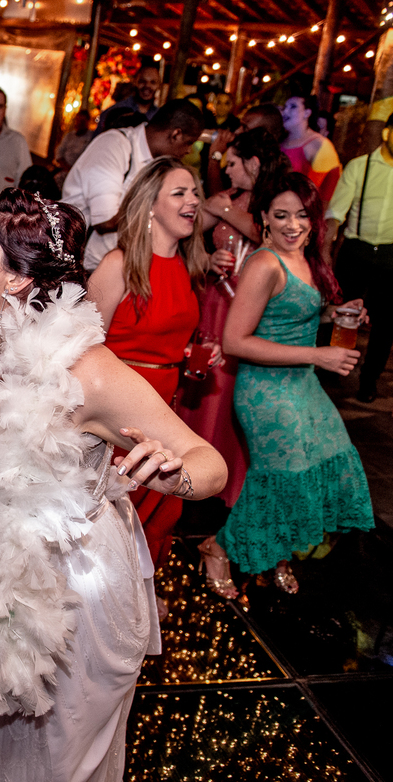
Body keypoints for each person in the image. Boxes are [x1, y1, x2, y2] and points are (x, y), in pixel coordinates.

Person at [0, 190, 226, 782]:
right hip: (3, 578)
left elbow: (209, 467)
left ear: (19, 278)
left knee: (57, 765)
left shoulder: (88, 371)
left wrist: (170, 475)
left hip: (76, 588)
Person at [214, 172, 373, 595]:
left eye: (301, 215)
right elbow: (235, 340)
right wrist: (318, 354)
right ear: (264, 216)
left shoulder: (308, 255)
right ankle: (218, 547)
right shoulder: (265, 263)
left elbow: (293, 315)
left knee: (319, 465)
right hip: (265, 392)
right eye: (281, 215)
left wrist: (337, 315)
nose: (292, 225)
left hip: (301, 384)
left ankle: (277, 554)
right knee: (281, 476)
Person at [87, 157, 214, 603]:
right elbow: (84, 345)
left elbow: (166, 333)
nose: (193, 201)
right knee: (117, 513)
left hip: (167, 404)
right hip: (121, 413)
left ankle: (138, 595)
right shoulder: (119, 264)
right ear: (150, 205)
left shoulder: (187, 265)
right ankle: (105, 602)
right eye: (179, 193)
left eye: (195, 193)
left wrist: (192, 353)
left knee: (164, 511)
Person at [183, 129, 288, 522]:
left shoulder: (277, 204)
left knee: (234, 386)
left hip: (251, 305)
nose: (225, 169)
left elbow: (269, 237)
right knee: (207, 379)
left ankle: (230, 478)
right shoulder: (228, 199)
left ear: (254, 163)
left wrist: (225, 211)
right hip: (215, 299)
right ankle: (197, 469)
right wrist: (207, 260)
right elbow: (189, 232)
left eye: (231, 162)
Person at [63, 99, 205, 270]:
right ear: (176, 134)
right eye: (189, 142)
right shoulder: (115, 145)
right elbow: (106, 222)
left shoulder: (159, 163)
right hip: (82, 266)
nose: (189, 151)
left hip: (122, 266)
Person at [326, 113, 393, 404]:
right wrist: (325, 253)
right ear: (387, 133)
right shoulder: (360, 166)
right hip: (356, 249)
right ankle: (328, 371)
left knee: (386, 323)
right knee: (340, 312)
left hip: (391, 252)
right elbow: (334, 215)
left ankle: (369, 380)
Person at [204, 103, 286, 197]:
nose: (237, 131)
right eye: (240, 125)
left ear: (265, 133)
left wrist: (215, 157)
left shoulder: (270, 167)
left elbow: (219, 202)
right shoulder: (241, 152)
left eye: (245, 128)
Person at [281, 92, 341, 204]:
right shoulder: (280, 141)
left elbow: (326, 192)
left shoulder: (319, 144)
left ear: (307, 112)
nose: (285, 112)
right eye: (285, 107)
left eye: (293, 107)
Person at [94, 65, 162, 135]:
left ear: (159, 86)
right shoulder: (113, 112)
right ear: (134, 82)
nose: (147, 86)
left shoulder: (160, 117)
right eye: (142, 81)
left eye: (153, 82)